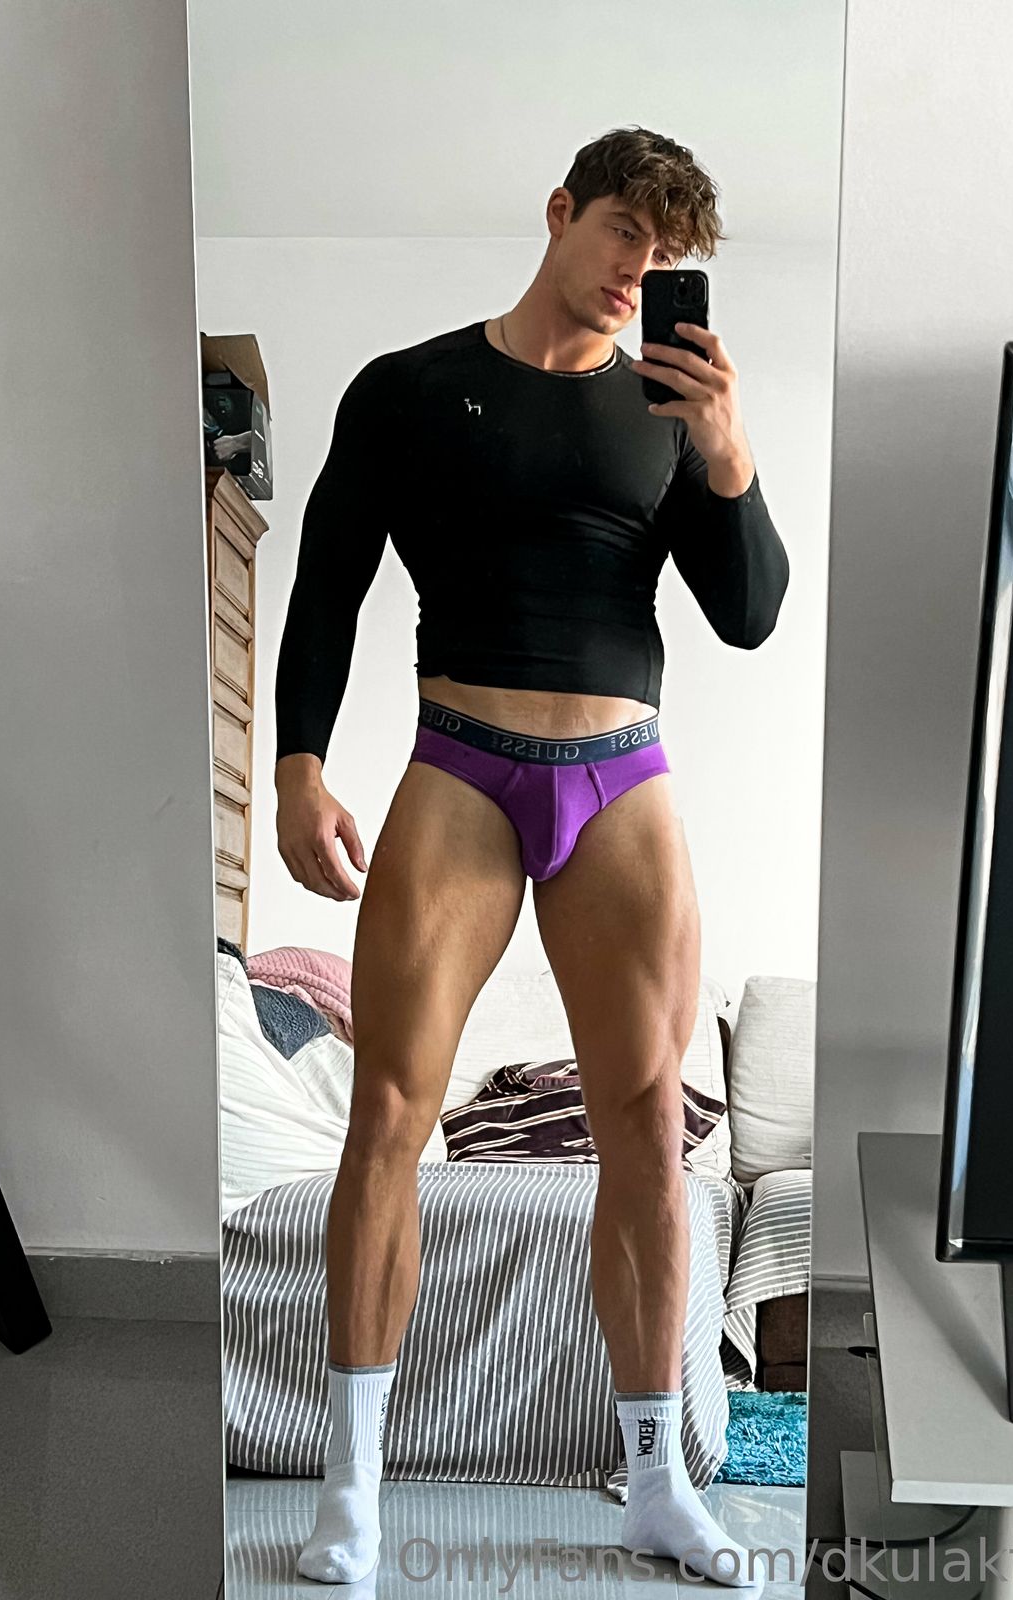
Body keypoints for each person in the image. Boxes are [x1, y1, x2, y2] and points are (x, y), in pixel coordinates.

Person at [274, 125, 789, 1589]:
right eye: (625, 230)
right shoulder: (409, 388)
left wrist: (730, 457)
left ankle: (654, 1485)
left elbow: (750, 614)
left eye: (666, 254)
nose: (641, 270)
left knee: (647, 1122)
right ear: (563, 212)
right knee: (390, 1110)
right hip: (461, 767)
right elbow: (327, 581)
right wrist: (299, 763)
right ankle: (352, 1494)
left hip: (621, 779)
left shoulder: (670, 409)